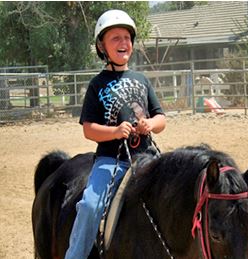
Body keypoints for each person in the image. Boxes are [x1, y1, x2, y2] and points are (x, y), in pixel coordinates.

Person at [67, 9, 166, 259]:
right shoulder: (97, 84)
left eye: (127, 37)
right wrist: (114, 131)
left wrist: (150, 125)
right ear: (102, 46)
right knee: (90, 206)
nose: (123, 43)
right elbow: (89, 129)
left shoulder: (142, 79)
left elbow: (161, 119)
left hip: (147, 158)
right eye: (115, 38)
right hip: (111, 160)